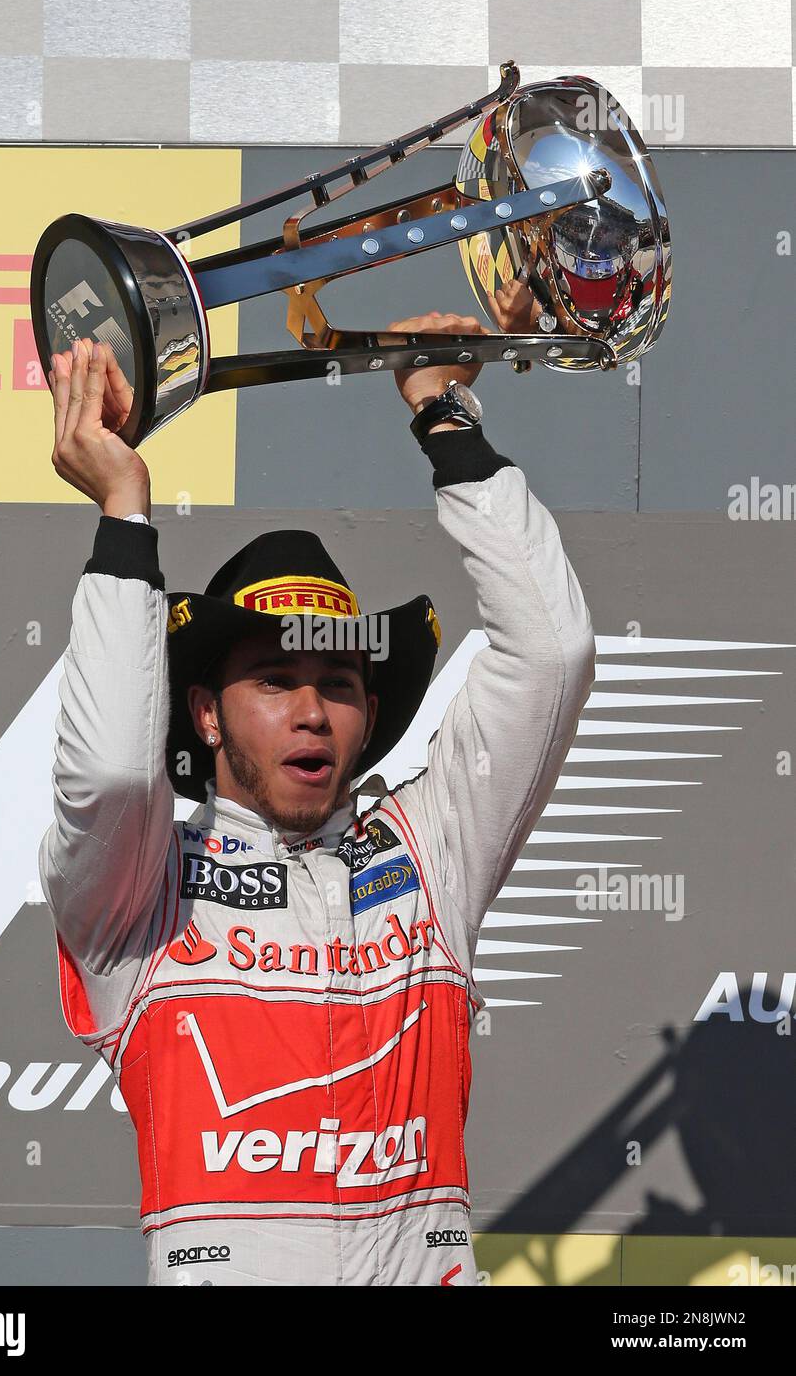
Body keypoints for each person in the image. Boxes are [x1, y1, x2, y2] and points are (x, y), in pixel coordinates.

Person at [39, 294, 595, 1286]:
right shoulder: (140, 892)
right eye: (273, 681)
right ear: (205, 713)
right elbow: (116, 770)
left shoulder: (433, 849)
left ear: (368, 714)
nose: (310, 709)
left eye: (338, 683)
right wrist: (124, 514)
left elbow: (552, 653)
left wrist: (442, 410)